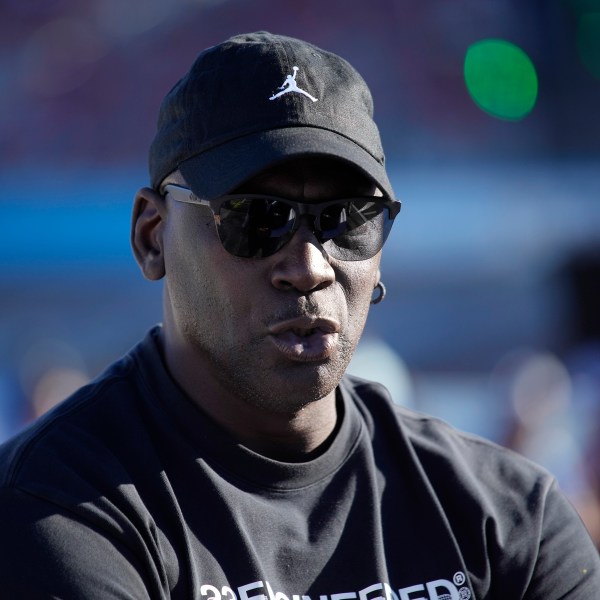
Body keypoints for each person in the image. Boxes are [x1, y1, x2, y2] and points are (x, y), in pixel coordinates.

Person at [0, 31, 598, 599]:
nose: (310, 266)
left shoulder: (509, 515)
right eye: (255, 216)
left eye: (348, 218)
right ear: (153, 236)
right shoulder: (52, 504)